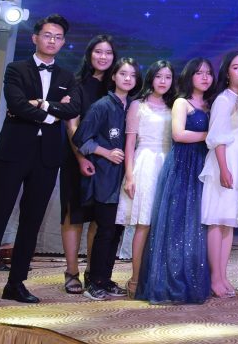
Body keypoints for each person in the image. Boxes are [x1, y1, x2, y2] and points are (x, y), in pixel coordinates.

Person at [0, 14, 80, 311]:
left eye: (58, 37)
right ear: (35, 38)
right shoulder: (16, 69)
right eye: (47, 35)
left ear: (63, 42)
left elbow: (74, 109)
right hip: (14, 152)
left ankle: (15, 284)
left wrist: (40, 104)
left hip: (46, 157)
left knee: (32, 221)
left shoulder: (67, 77)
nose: (52, 40)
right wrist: (53, 113)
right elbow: (16, 105)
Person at [136, 58, 216, 304]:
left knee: (197, 223)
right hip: (183, 165)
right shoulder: (182, 102)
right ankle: (170, 283)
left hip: (204, 165)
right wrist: (211, 135)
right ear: (189, 76)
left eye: (208, 73)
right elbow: (178, 134)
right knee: (178, 223)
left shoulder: (211, 104)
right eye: (199, 73)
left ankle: (194, 280)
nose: (205, 77)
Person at [74, 57, 140, 300]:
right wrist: (105, 152)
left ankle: (105, 278)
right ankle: (93, 281)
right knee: (105, 231)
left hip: (125, 178)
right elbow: (80, 139)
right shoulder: (102, 106)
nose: (128, 79)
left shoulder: (133, 106)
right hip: (105, 178)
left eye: (132, 75)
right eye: (123, 73)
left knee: (116, 231)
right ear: (113, 76)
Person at [60, 33, 116, 295]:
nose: (103, 57)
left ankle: (93, 273)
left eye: (108, 53)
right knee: (74, 215)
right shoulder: (77, 83)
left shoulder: (115, 87)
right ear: (89, 54)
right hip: (78, 158)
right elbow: (72, 125)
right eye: (98, 51)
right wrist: (81, 157)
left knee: (99, 218)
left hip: (107, 163)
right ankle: (71, 272)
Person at [115, 59, 175, 297]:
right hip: (145, 164)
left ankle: (158, 280)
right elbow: (129, 144)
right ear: (151, 78)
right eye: (159, 76)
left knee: (164, 225)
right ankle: (135, 279)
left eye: (168, 77)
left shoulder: (175, 105)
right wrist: (129, 176)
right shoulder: (137, 105)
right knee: (143, 223)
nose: (163, 81)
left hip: (168, 164)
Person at [201, 51, 238, 298]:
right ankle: (214, 278)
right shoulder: (223, 99)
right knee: (217, 221)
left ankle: (222, 276)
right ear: (227, 73)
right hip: (224, 164)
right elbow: (217, 137)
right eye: (236, 67)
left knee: (228, 223)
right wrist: (223, 168)